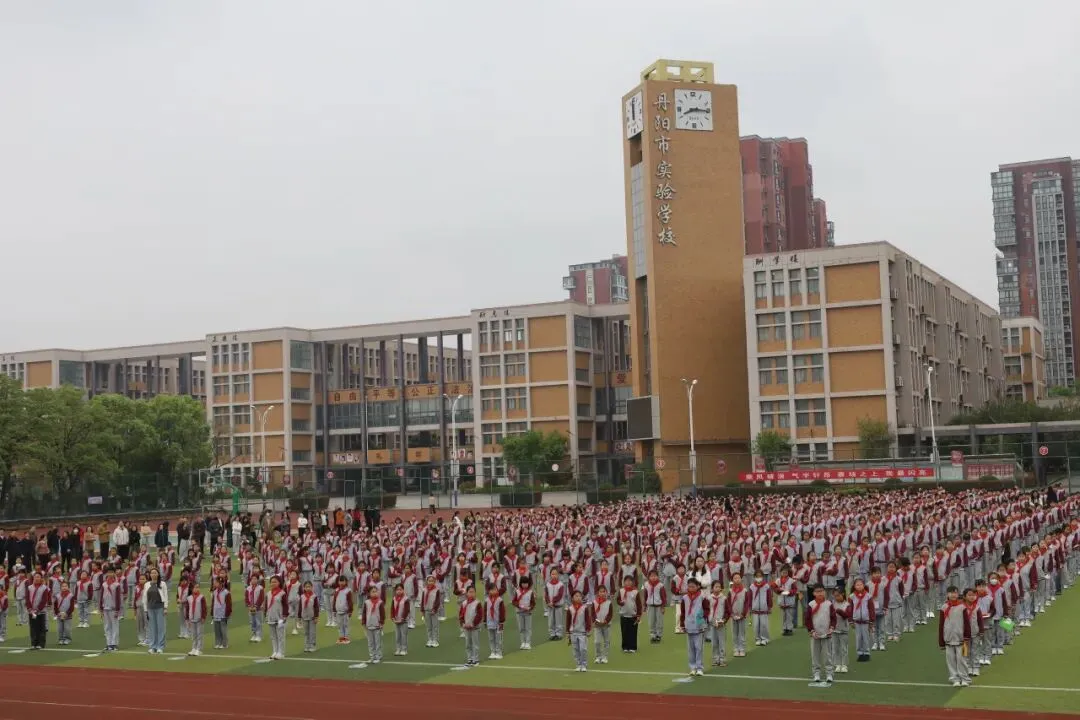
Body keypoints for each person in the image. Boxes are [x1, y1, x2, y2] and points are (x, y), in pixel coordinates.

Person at [938, 585, 972, 687]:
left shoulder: (962, 607)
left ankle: (964, 678)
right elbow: (941, 625)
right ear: (947, 594)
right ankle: (955, 678)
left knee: (962, 660)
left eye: (955, 593)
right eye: (951, 593)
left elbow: (967, 623)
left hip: (961, 639)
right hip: (948, 639)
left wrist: (966, 636)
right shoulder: (944, 607)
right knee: (951, 660)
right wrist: (941, 641)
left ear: (958, 594)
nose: (953, 595)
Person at [805, 584, 836, 687]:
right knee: (815, 655)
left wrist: (831, 628)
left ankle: (829, 673)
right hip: (815, 635)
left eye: (821, 591)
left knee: (827, 655)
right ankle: (816, 673)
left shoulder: (829, 604)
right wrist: (811, 631)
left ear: (825, 592)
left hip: (826, 634)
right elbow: (807, 619)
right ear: (814, 593)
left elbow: (833, 618)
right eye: (817, 592)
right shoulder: (811, 604)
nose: (820, 593)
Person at [678, 577, 709, 676]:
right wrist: (682, 624)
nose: (691, 588)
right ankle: (692, 667)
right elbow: (683, 612)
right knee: (690, 649)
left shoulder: (702, 597)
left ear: (698, 586)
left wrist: (702, 617)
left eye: (693, 586)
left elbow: (707, 609)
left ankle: (699, 668)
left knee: (699, 648)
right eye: (689, 586)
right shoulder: (685, 598)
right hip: (688, 625)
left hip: (699, 626)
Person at [143, 567, 168, 654]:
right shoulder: (147, 584)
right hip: (150, 608)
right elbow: (145, 598)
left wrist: (165, 607)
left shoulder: (162, 584)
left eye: (155, 573)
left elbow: (165, 596)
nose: (153, 574)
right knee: (152, 628)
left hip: (160, 607)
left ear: (158, 574)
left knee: (160, 627)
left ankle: (160, 646)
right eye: (152, 573)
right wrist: (145, 610)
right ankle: (152, 646)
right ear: (150, 575)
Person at [566, 589, 593, 672]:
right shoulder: (570, 609)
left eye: (579, 596)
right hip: (573, 632)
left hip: (582, 632)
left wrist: (588, 629)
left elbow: (587, 620)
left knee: (583, 649)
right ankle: (578, 664)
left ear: (582, 598)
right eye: (576, 596)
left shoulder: (584, 608)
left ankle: (584, 664)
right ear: (572, 598)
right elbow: (568, 621)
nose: (578, 598)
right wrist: (567, 632)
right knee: (575, 649)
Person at [617, 575, 642, 654]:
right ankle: (625, 647)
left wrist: (638, 615)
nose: (628, 582)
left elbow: (639, 604)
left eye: (630, 581)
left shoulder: (635, 592)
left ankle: (632, 647)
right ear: (624, 582)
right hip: (623, 615)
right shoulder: (621, 591)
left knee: (633, 632)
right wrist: (620, 603)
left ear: (633, 582)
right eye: (626, 581)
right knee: (624, 632)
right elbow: (618, 600)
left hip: (633, 616)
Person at [265, 575, 288, 661]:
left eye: (275, 582)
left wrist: (285, 616)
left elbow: (285, 605)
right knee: (273, 636)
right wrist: (266, 614)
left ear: (279, 583)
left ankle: (281, 652)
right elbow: (266, 605)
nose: (273, 583)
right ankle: (275, 651)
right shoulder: (268, 593)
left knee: (280, 636)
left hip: (280, 618)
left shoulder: (282, 593)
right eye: (272, 582)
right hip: (271, 616)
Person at [459, 585, 482, 667]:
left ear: (475, 593)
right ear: (467, 593)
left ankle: (476, 659)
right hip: (466, 627)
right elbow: (461, 615)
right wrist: (463, 624)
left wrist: (473, 624)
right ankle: (470, 659)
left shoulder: (477, 603)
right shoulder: (464, 603)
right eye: (470, 592)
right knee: (468, 644)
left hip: (475, 627)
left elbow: (479, 615)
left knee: (475, 644)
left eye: (473, 592)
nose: (471, 594)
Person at [100, 568, 122, 652]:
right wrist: (101, 608)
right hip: (105, 608)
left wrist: (117, 610)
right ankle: (108, 643)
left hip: (113, 608)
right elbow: (101, 596)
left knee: (114, 626)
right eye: (108, 573)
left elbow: (118, 598)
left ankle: (114, 644)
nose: (110, 574)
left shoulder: (116, 585)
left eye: (111, 573)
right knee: (107, 627)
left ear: (114, 574)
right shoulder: (104, 584)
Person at [728, 572, 750, 657]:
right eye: (735, 578)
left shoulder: (745, 591)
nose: (737, 579)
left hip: (742, 616)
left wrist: (743, 614)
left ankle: (742, 649)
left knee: (742, 633)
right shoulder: (730, 591)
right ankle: (736, 649)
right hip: (733, 616)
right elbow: (728, 604)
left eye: (738, 578)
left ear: (741, 579)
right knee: (735, 633)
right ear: (732, 580)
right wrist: (731, 614)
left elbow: (747, 603)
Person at [26, 571, 50, 650]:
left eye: (38, 577)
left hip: (41, 611)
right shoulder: (29, 587)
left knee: (41, 628)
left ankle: (41, 644)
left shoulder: (44, 588)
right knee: (33, 628)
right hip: (31, 612)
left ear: (41, 578)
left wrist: (37, 609)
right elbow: (27, 599)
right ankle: (34, 643)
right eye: (35, 577)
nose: (36, 578)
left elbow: (44, 600)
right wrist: (30, 609)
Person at [362, 585, 385, 664]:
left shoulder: (380, 602)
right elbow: (364, 613)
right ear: (369, 593)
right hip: (369, 625)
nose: (375, 593)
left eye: (376, 591)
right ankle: (372, 656)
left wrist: (381, 622)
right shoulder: (367, 602)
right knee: (370, 643)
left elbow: (382, 614)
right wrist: (363, 622)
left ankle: (378, 656)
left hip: (377, 625)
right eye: (373, 592)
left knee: (378, 642)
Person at [708, 579, 728, 667]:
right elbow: (706, 611)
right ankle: (715, 659)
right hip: (712, 624)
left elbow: (727, 611)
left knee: (722, 642)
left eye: (719, 587)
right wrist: (709, 620)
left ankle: (722, 659)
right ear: (712, 588)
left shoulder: (724, 598)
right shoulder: (709, 598)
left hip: (721, 624)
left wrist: (723, 620)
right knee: (714, 643)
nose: (718, 588)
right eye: (716, 587)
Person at [643, 568, 667, 643]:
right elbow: (645, 595)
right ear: (649, 577)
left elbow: (663, 596)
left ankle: (658, 635)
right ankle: (652, 635)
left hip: (659, 606)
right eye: (651, 576)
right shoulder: (646, 584)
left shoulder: (660, 585)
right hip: (650, 606)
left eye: (655, 576)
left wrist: (663, 606)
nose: (653, 577)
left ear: (657, 576)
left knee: (659, 621)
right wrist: (644, 605)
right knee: (651, 621)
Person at [513, 575, 535, 650]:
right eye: (523, 583)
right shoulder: (517, 591)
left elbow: (533, 602)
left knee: (528, 628)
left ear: (528, 583)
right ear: (520, 583)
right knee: (521, 628)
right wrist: (520, 606)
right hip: (519, 612)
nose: (525, 585)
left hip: (528, 612)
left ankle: (528, 642)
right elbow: (514, 601)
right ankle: (523, 642)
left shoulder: (530, 592)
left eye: (526, 583)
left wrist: (530, 607)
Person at [186, 580, 207, 657]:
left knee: (199, 634)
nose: (197, 589)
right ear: (191, 589)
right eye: (195, 588)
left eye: (198, 587)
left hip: (199, 618)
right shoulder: (189, 598)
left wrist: (203, 617)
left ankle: (199, 649)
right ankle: (194, 648)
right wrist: (187, 618)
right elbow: (187, 608)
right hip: (192, 618)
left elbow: (204, 608)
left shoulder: (201, 597)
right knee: (193, 634)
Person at [484, 583, 505, 660]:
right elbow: (485, 610)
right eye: (492, 590)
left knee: (498, 638)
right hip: (489, 621)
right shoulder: (487, 600)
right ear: (488, 591)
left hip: (498, 622)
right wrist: (484, 621)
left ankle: (499, 652)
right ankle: (493, 652)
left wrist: (501, 621)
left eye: (495, 589)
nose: (493, 591)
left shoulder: (500, 600)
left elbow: (502, 611)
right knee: (491, 638)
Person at [211, 575, 232, 650]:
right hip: (216, 613)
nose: (214, 583)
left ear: (221, 583)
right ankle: (218, 643)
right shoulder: (214, 592)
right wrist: (212, 612)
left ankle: (224, 644)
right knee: (217, 629)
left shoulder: (226, 592)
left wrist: (227, 613)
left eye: (216, 582)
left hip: (223, 613)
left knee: (223, 629)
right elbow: (213, 602)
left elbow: (229, 604)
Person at [391, 584, 411, 657]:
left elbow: (407, 610)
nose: (399, 591)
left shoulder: (406, 599)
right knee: (397, 636)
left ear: (403, 590)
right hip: (396, 620)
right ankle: (398, 649)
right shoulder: (394, 598)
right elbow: (392, 609)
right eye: (397, 590)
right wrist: (392, 617)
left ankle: (404, 649)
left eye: (400, 589)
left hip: (403, 620)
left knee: (403, 635)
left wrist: (403, 618)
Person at [332, 575, 353, 644]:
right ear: (338, 582)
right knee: (340, 625)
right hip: (338, 611)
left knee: (346, 625)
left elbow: (350, 601)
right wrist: (334, 610)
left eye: (343, 581)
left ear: (346, 582)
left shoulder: (348, 591)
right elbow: (334, 601)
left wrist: (350, 611)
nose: (341, 583)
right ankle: (341, 637)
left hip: (346, 611)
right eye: (340, 581)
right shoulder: (336, 590)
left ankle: (346, 637)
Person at [245, 575, 266, 643]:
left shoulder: (260, 588)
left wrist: (256, 606)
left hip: (258, 608)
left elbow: (261, 598)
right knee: (252, 622)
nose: (253, 580)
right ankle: (254, 634)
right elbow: (246, 597)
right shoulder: (248, 588)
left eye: (255, 579)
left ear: (257, 580)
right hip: (250, 608)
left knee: (258, 622)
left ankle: (259, 635)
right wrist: (248, 605)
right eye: (252, 579)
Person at [54, 580, 74, 646]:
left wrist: (66, 613)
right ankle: (61, 639)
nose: (64, 587)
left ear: (68, 587)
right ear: (60, 587)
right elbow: (55, 606)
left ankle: (67, 639)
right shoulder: (57, 596)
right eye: (63, 586)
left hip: (68, 615)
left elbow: (72, 607)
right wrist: (58, 613)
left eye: (66, 586)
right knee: (60, 628)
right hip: (59, 615)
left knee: (67, 628)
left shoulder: (71, 596)